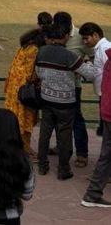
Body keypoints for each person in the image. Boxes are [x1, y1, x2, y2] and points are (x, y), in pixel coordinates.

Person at [35, 23, 94, 180]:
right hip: (65, 102)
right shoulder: (69, 55)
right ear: (66, 36)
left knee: (44, 133)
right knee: (65, 135)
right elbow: (89, 74)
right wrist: (88, 63)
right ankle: (63, 169)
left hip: (46, 99)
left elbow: (38, 73)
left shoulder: (41, 51)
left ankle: (42, 166)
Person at [81, 23, 111, 208]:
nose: (85, 42)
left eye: (86, 38)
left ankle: (93, 193)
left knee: (107, 153)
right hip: (108, 106)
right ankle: (92, 194)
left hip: (107, 106)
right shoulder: (105, 52)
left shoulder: (106, 52)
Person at [4, 29, 45, 153]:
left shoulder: (23, 48)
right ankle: (24, 149)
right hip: (24, 92)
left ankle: (14, 147)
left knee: (14, 119)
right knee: (24, 120)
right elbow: (30, 73)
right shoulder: (34, 50)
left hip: (13, 90)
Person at [78, 22, 111, 138]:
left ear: (95, 35)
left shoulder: (105, 48)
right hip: (105, 94)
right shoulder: (101, 48)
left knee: (107, 133)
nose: (84, 42)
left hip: (107, 95)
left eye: (86, 38)